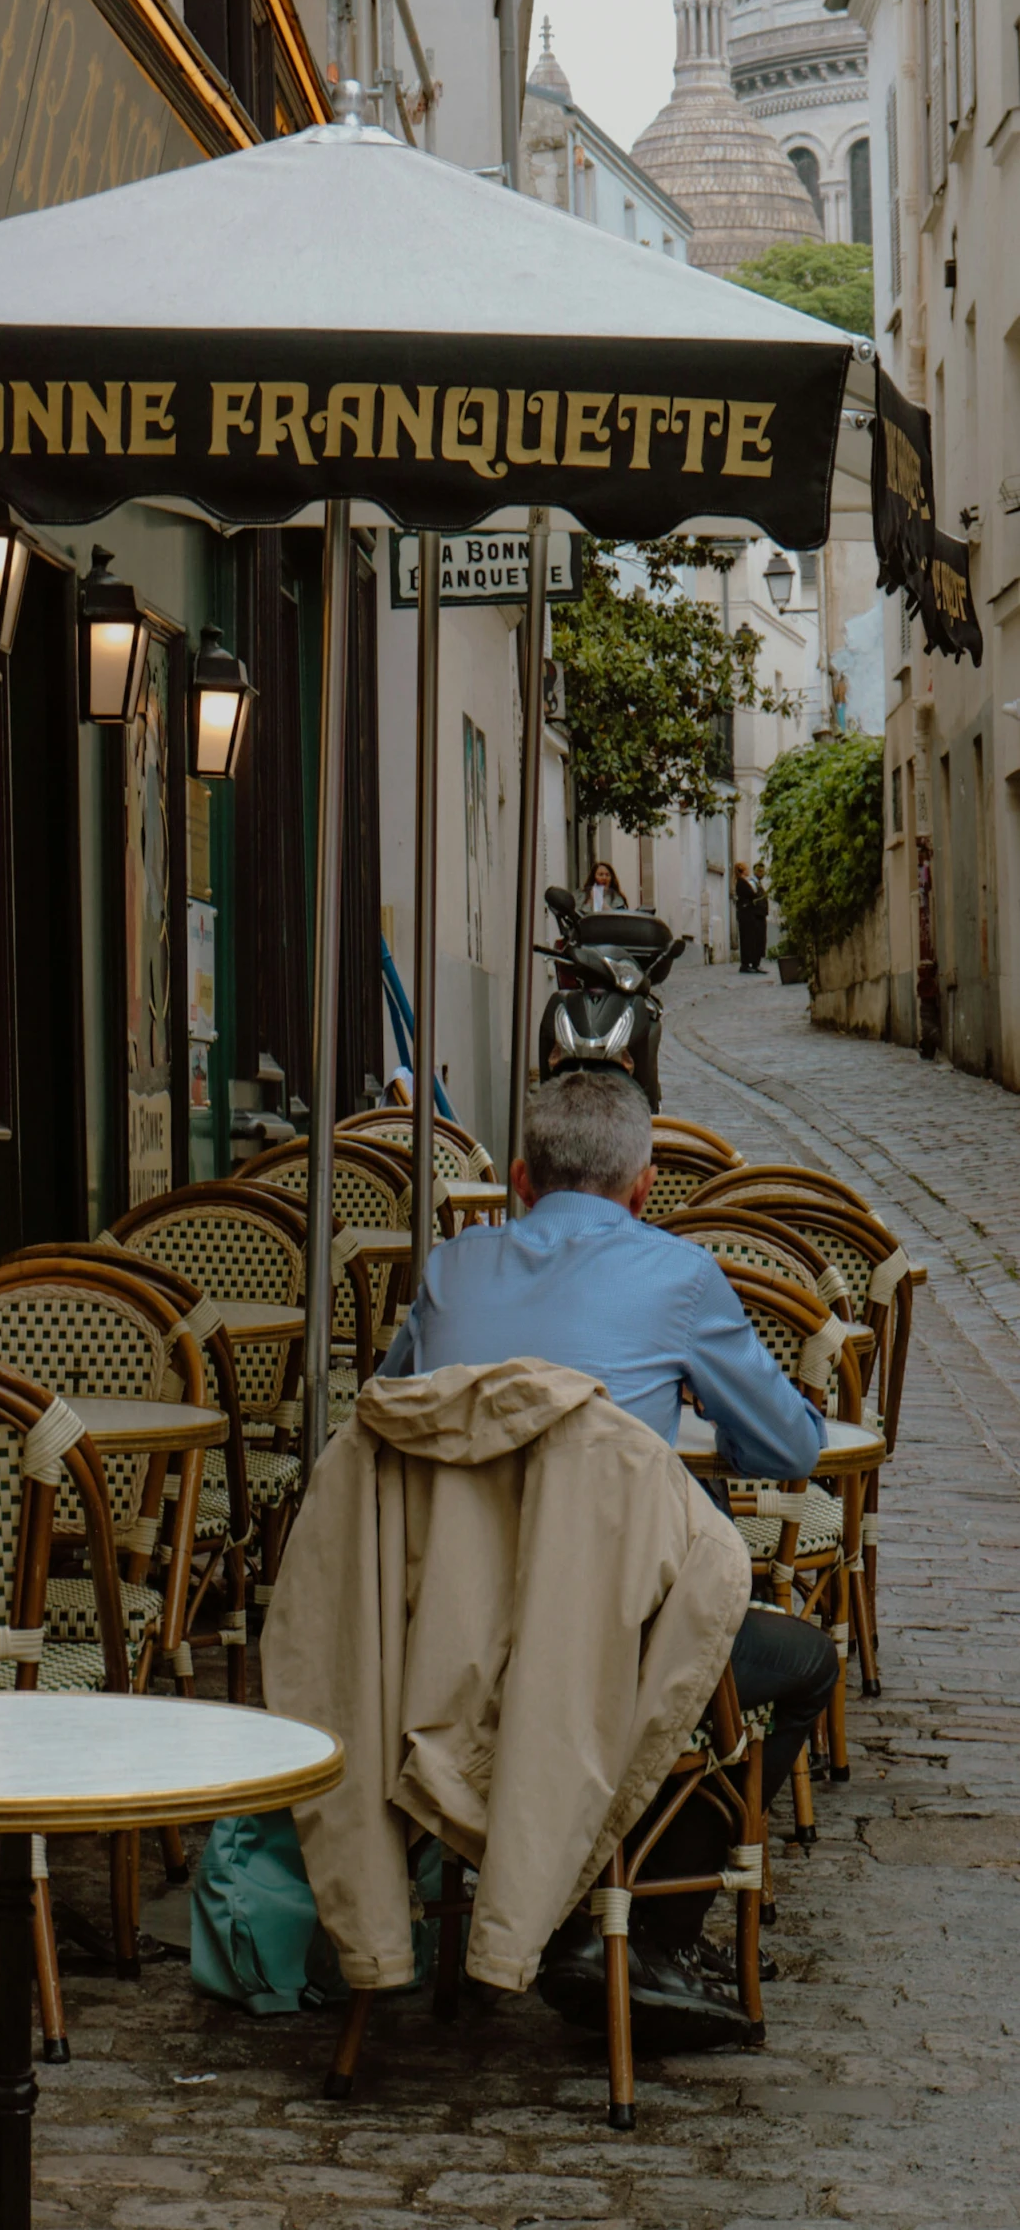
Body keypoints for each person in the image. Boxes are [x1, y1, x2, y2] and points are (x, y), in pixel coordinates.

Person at [380, 1068, 838, 2042]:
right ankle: (650, 1926)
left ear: (516, 1181)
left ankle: (544, 1898)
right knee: (801, 1663)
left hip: (443, 1654)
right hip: (606, 1655)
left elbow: (390, 1417)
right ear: (645, 1186)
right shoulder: (677, 1278)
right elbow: (792, 1447)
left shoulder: (449, 1272)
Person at [734, 860, 768, 973]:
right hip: (749, 915)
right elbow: (751, 896)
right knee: (750, 940)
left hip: (753, 915)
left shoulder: (746, 882)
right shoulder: (743, 883)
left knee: (754, 940)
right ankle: (749, 963)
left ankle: (753, 963)